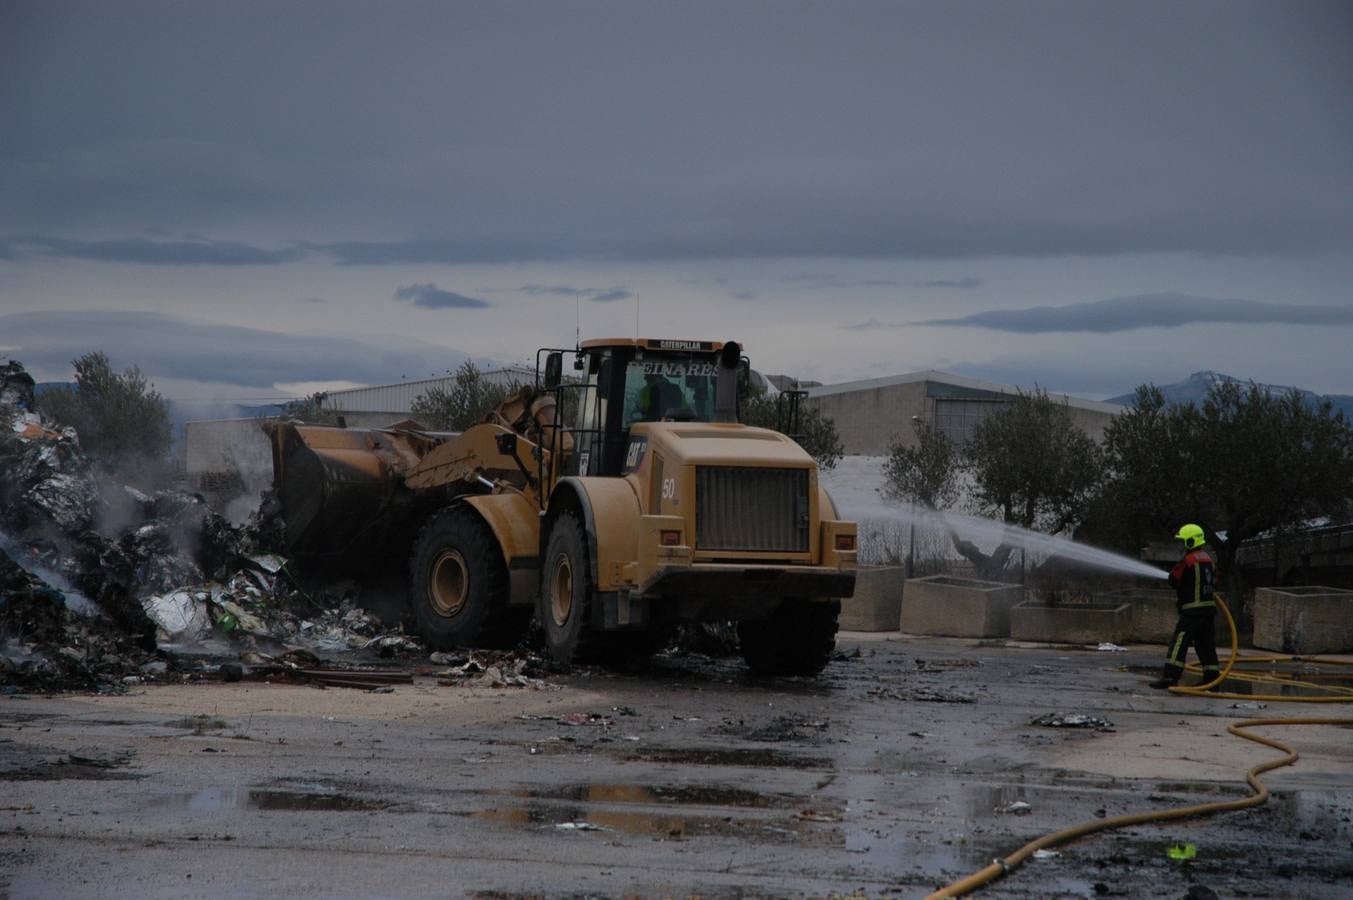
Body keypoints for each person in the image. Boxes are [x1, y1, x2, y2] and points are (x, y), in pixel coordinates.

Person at [1150, 523, 1221, 690]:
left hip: (1192, 611)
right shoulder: (1209, 560)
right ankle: (1212, 680)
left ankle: (1170, 677)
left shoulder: (1188, 560)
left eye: (1184, 541)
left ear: (1191, 541)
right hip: (1208, 610)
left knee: (1179, 643)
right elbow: (1216, 581)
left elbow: (1174, 579)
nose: (1183, 545)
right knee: (1206, 645)